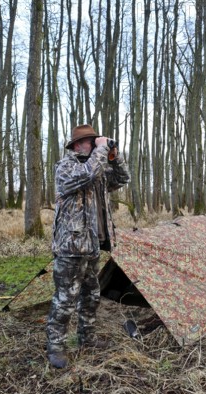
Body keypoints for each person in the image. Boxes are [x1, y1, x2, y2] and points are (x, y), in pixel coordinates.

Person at [46, 124, 130, 369]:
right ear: (76, 145)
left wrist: (114, 156)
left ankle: (87, 338)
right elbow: (87, 175)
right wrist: (101, 152)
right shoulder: (66, 167)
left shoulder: (98, 165)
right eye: (89, 141)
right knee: (65, 300)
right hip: (71, 247)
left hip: (92, 245)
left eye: (96, 140)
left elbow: (122, 178)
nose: (94, 144)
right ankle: (56, 347)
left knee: (91, 296)